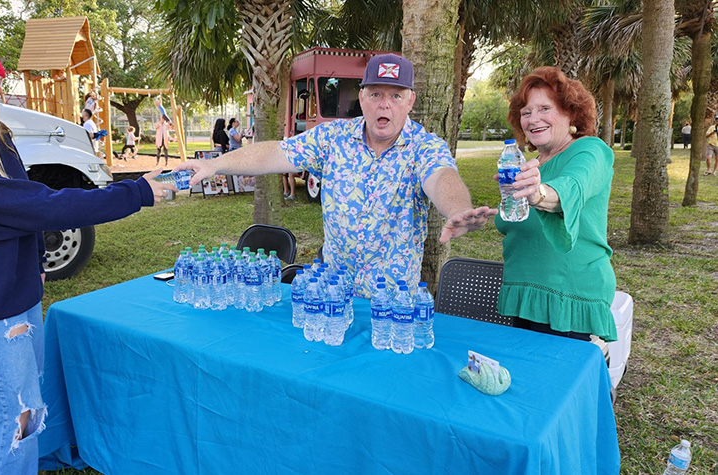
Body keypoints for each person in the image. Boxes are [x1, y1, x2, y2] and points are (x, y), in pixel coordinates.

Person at [0, 53, 174, 474]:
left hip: (18, 294)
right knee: (13, 415)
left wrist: (35, 259)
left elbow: (24, 204)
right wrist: (136, 192)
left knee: (27, 404)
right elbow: (43, 206)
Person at [175, 53, 495, 297]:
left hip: (390, 306)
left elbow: (442, 178)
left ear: (409, 101)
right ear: (362, 96)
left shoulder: (424, 147)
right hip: (331, 297)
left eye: (396, 95)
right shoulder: (333, 138)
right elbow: (275, 152)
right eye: (376, 94)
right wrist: (216, 165)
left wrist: (458, 210)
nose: (385, 105)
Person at [498, 66, 617, 343]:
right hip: (525, 294)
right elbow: (523, 218)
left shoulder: (591, 151)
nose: (532, 119)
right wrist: (482, 216)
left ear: (570, 113)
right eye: (526, 112)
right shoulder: (532, 165)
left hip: (567, 297)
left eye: (544, 109)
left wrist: (537, 194)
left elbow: (571, 188)